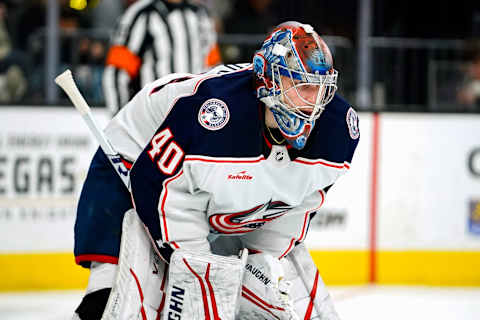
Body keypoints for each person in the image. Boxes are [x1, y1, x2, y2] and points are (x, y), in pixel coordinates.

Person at [73, 21, 359, 319]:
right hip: (136, 160)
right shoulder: (212, 115)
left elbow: (293, 205)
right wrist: (198, 270)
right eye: (299, 84)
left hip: (191, 183)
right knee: (112, 296)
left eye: (318, 87)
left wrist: (260, 264)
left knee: (252, 295)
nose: (312, 102)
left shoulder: (338, 129)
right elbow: (159, 189)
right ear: (268, 79)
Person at [102, 0, 221, 115]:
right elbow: (117, 72)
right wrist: (121, 120)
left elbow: (213, 69)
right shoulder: (142, 13)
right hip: (154, 117)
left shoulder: (200, 14)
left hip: (195, 115)